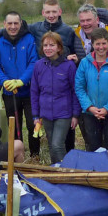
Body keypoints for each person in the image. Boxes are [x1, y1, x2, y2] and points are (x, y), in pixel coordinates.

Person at [0, 11, 40, 158]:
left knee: (32, 125)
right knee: (15, 126)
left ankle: (35, 155)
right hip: (9, 92)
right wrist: (4, 81)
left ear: (21, 23)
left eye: (15, 23)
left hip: (29, 90)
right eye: (9, 23)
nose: (12, 26)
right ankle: (19, 155)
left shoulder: (29, 39)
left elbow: (33, 62)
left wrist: (22, 80)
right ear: (4, 24)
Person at [75, 28, 108, 160]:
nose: (101, 47)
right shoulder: (84, 63)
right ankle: (95, 176)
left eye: (104, 43)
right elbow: (79, 87)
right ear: (92, 44)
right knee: (93, 146)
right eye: (97, 44)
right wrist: (90, 107)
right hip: (90, 113)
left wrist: (107, 109)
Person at [31, 32, 81, 164]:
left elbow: (75, 91)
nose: (48, 48)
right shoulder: (39, 65)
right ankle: (55, 172)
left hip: (63, 113)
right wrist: (36, 116)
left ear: (59, 47)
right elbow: (35, 92)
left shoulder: (68, 66)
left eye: (52, 45)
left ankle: (66, 173)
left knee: (58, 145)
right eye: (45, 45)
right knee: (52, 146)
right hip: (46, 113)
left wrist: (75, 115)